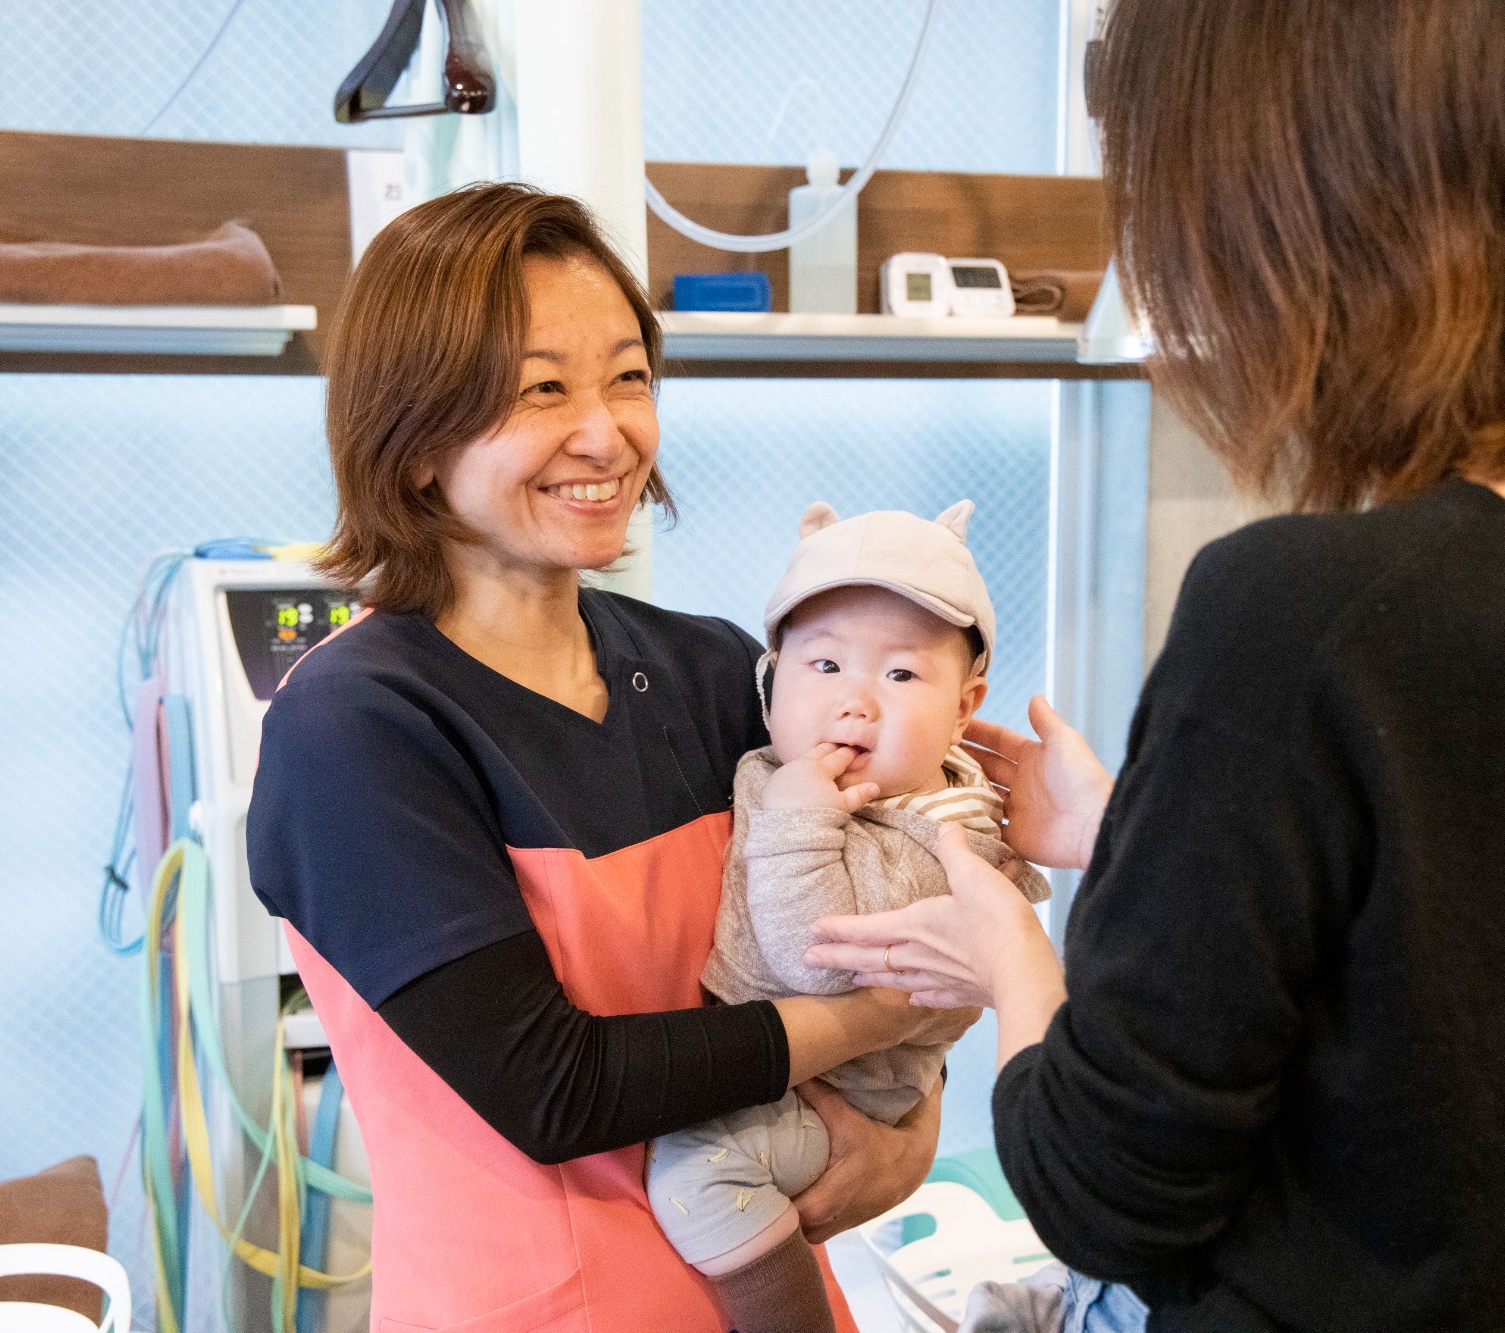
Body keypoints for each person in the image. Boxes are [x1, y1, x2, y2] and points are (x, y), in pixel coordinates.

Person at [805, 2, 1505, 1331]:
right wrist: (1139, 831)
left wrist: (1008, 945)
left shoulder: (1301, 609)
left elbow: (1101, 1188)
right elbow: (1431, 950)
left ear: (1289, 190)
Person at [246, 183, 967, 1333]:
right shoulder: (356, 726)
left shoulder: (718, 670)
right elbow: (555, 1085)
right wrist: (884, 1019)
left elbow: (883, 902)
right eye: (542, 388)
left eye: (627, 376)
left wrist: (910, 1135)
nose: (607, 431)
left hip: (774, 1287)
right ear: (416, 436)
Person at [648, 502, 1048, 1333]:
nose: (855, 702)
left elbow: (820, 963)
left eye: (901, 676)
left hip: (843, 1095)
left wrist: (797, 819)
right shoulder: (785, 767)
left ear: (966, 706)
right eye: (823, 665)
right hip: (780, 1070)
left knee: (693, 1164)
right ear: (771, 677)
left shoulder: (941, 836)